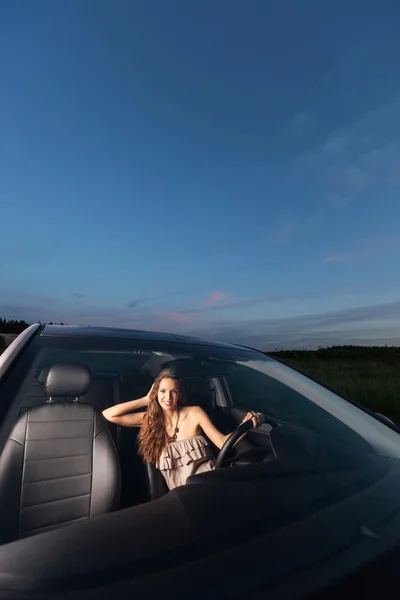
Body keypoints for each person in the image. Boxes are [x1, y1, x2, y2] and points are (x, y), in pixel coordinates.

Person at [102, 369, 264, 490]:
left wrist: (246, 425)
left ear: (180, 394)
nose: (168, 397)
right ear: (156, 393)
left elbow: (222, 443)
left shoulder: (195, 413)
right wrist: (145, 399)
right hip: (182, 496)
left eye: (174, 391)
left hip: (211, 485)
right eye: (163, 391)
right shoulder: (149, 420)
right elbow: (109, 415)